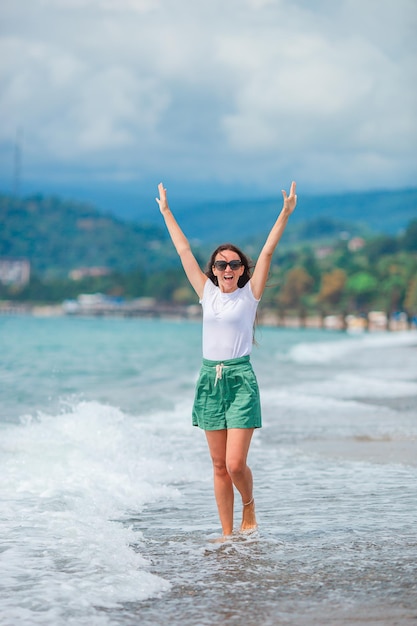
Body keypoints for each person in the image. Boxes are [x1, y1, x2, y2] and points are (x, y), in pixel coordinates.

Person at [156, 181, 297, 538]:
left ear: (241, 269)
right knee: (218, 466)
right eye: (221, 264)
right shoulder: (207, 294)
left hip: (240, 381)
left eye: (234, 263)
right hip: (209, 382)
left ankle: (249, 502)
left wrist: (284, 214)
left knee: (235, 464)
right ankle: (227, 536)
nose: (228, 268)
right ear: (214, 269)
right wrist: (167, 212)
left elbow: (266, 253)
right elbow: (183, 250)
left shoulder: (249, 295)